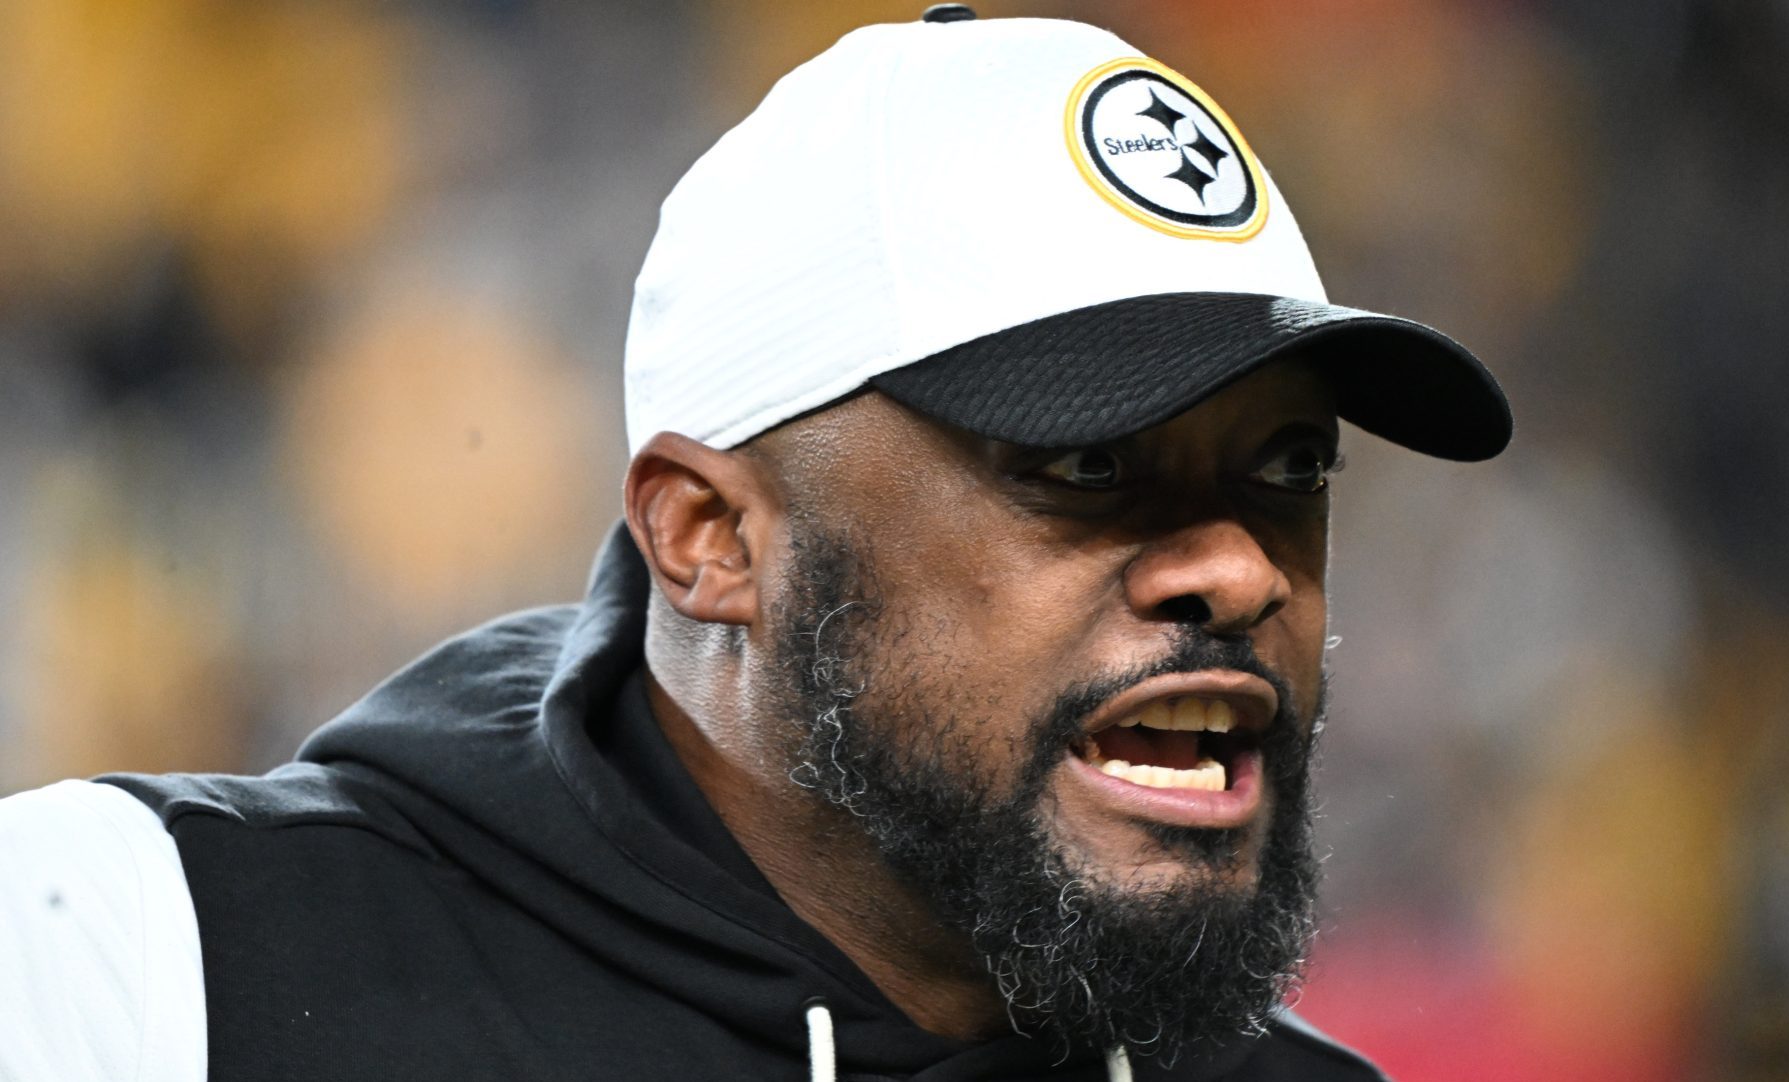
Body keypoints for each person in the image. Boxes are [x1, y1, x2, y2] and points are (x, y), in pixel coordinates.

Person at [0, 8, 1511, 1081]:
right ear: (710, 538)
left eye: (1289, 463)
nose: (1241, 568)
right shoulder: (148, 967)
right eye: (1087, 462)